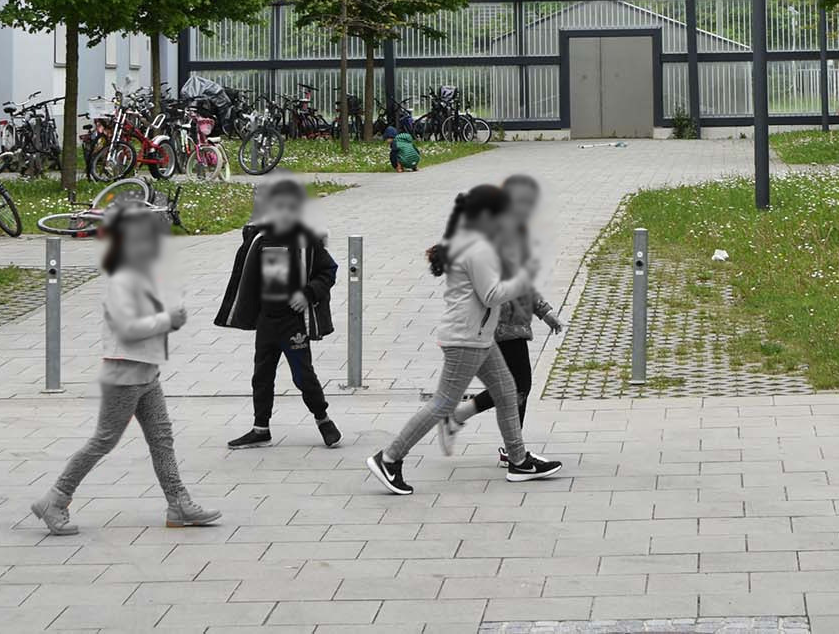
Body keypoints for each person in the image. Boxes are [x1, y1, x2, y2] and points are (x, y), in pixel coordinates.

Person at [30, 205, 219, 534]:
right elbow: (127, 329)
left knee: (162, 439)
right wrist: (167, 318)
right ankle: (55, 499)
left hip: (147, 374)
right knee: (104, 440)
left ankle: (178, 503)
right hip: (124, 375)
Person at [365, 184, 564, 494]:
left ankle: (519, 461)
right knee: (442, 404)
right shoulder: (478, 250)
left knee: (507, 392)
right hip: (466, 339)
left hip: (478, 337)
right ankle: (389, 458)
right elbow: (491, 295)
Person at [215, 176, 342, 450]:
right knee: (261, 375)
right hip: (267, 320)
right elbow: (245, 274)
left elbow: (328, 271)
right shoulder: (259, 239)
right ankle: (260, 428)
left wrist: (308, 294)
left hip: (293, 322)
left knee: (303, 375)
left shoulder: (306, 241)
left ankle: (323, 419)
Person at [442, 172, 562, 459]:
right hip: (502, 324)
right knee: (517, 386)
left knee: (514, 387)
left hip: (513, 322)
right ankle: (509, 448)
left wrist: (543, 311)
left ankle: (475, 426)